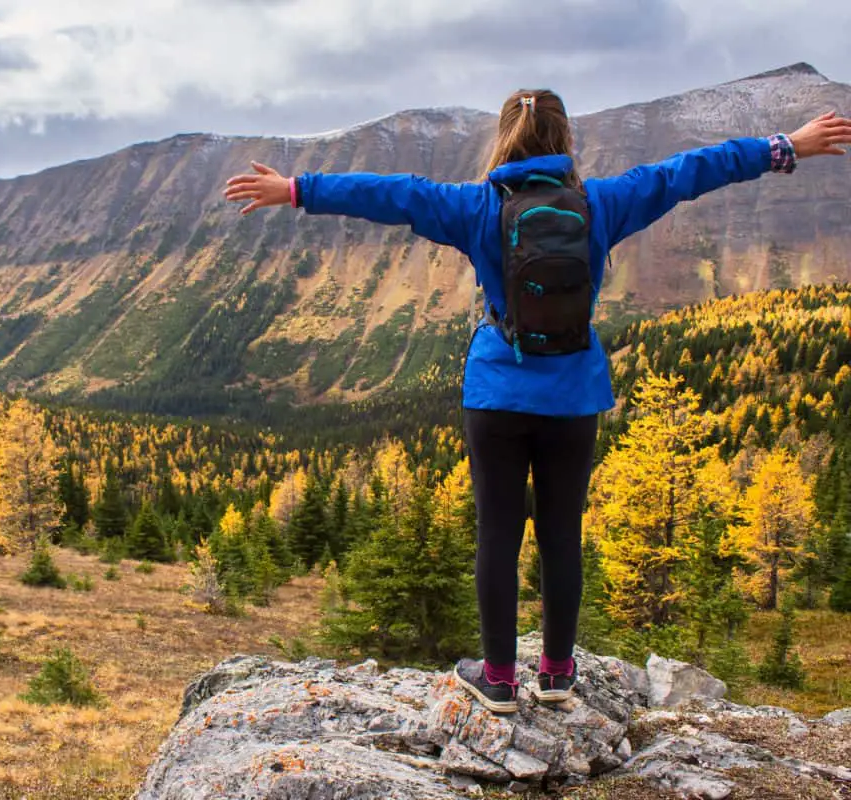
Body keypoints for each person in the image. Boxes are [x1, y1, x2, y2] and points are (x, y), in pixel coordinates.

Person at [224, 88, 851, 714]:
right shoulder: (602, 202)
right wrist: (784, 147)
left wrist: (296, 188)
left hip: (497, 392)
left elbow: (392, 194)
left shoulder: (474, 208)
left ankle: (497, 678)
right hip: (574, 394)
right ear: (565, 140)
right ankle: (556, 672)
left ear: (504, 140)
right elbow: (689, 172)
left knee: (497, 532)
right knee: (561, 534)